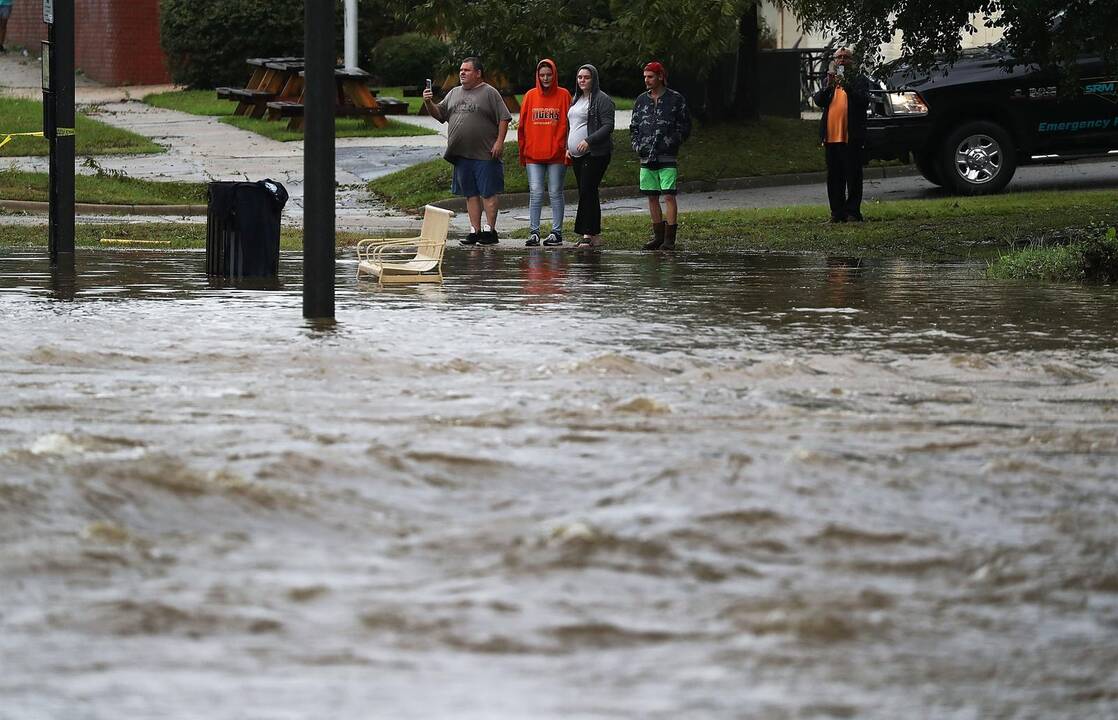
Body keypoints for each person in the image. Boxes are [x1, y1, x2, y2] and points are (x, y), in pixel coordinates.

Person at [423, 57, 512, 245]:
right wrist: (429, 103)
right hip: (461, 154)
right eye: (461, 70)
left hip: (486, 153)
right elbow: (440, 114)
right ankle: (474, 231)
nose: (462, 73)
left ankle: (490, 231)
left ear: (478, 73)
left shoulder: (489, 92)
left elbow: (504, 117)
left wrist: (499, 142)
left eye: (467, 70)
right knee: (470, 194)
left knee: (487, 193)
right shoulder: (454, 93)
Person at [629, 61, 691, 250]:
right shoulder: (641, 100)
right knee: (651, 196)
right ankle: (658, 235)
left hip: (667, 156)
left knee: (669, 195)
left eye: (650, 77)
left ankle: (670, 238)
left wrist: (671, 142)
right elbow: (634, 127)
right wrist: (638, 146)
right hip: (646, 156)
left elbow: (685, 126)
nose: (646, 80)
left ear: (660, 77)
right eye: (645, 77)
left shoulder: (675, 99)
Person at [811, 46, 871, 222]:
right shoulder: (829, 80)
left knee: (853, 175)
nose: (842, 60)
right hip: (831, 136)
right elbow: (819, 101)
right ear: (834, 61)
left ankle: (853, 212)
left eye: (846, 57)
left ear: (852, 62)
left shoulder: (859, 79)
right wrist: (828, 87)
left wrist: (848, 86)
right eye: (839, 57)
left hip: (851, 136)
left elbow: (863, 101)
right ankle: (837, 212)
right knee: (834, 176)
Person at [517, 59, 571, 247]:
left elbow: (570, 124)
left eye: (549, 74)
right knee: (536, 192)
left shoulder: (564, 95)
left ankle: (556, 232)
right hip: (533, 154)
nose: (546, 78)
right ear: (537, 77)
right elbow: (522, 126)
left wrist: (566, 148)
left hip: (557, 154)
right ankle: (534, 232)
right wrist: (522, 151)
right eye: (542, 75)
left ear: (554, 75)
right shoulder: (530, 96)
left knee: (556, 191)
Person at [567, 63, 615, 249]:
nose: (582, 81)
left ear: (594, 79)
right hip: (577, 155)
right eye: (579, 77)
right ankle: (592, 233)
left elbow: (608, 126)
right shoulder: (576, 99)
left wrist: (589, 141)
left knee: (587, 190)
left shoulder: (601, 99)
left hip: (595, 153)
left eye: (586, 77)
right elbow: (572, 126)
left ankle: (587, 234)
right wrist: (567, 147)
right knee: (587, 192)